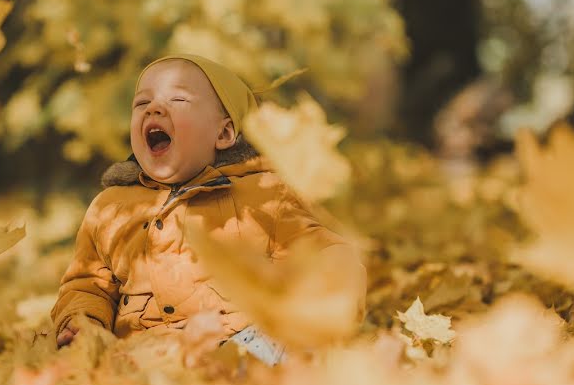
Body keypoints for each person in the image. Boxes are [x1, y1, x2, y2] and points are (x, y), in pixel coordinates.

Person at [50, 54, 366, 360]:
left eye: (178, 100)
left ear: (224, 133)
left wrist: (324, 302)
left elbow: (325, 256)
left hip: (238, 342)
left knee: (285, 347)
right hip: (141, 353)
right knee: (84, 376)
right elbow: (89, 285)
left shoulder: (264, 195)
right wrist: (83, 323)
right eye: (142, 103)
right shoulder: (112, 208)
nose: (154, 110)